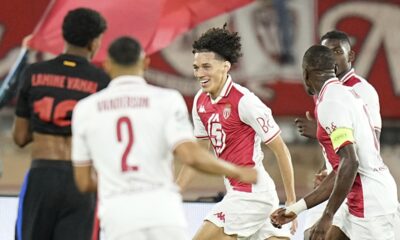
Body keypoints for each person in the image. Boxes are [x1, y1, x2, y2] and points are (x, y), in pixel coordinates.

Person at [71, 36, 257, 240]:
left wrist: (117, 180)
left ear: (107, 66)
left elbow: (83, 182)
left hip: (120, 214)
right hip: (163, 211)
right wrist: (237, 171)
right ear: (145, 63)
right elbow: (191, 156)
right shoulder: (167, 100)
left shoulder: (86, 109)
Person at [176, 26, 296, 240]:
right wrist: (175, 191)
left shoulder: (245, 101)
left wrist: (292, 202)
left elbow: (281, 149)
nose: (199, 74)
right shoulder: (200, 102)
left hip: (251, 195)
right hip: (239, 193)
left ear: (225, 66)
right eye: (196, 67)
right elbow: (198, 155)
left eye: (206, 66)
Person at [271, 45, 398, 240]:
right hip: (359, 198)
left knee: (320, 233)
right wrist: (295, 209)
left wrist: (327, 216)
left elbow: (350, 162)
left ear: (305, 74)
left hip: (371, 207)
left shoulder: (330, 103)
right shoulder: (345, 94)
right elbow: (342, 168)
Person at [12, 8, 109, 240]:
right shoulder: (101, 81)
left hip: (41, 176)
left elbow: (20, 138)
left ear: (63, 36)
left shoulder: (34, 73)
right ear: (94, 42)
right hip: (81, 180)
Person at [294, 30, 383, 239]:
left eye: (337, 51)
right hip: (337, 180)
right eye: (327, 52)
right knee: (311, 235)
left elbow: (369, 144)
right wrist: (324, 170)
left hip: (358, 186)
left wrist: (317, 132)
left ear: (350, 56)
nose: (331, 57)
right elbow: (334, 146)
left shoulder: (362, 90)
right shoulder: (325, 90)